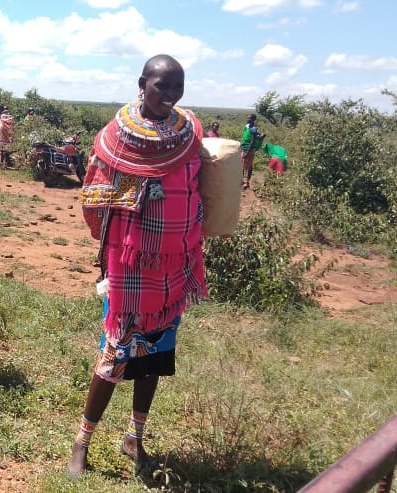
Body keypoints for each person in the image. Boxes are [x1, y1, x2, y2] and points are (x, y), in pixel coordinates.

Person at [68, 54, 207, 477]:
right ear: (142, 83)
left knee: (156, 356)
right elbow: (96, 199)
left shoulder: (189, 133)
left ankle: (134, 437)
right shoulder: (116, 139)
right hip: (131, 265)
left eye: (177, 87)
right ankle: (82, 443)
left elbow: (204, 185)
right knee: (116, 354)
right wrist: (139, 192)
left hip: (176, 262)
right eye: (162, 85)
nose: (170, 95)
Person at [240, 114, 264, 189]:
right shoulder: (247, 126)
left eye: (249, 119)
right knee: (242, 165)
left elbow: (252, 141)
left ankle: (247, 182)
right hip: (244, 148)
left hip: (250, 149)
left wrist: (247, 152)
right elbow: (245, 137)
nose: (247, 119)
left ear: (253, 120)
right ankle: (242, 180)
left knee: (249, 166)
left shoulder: (254, 129)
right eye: (247, 118)